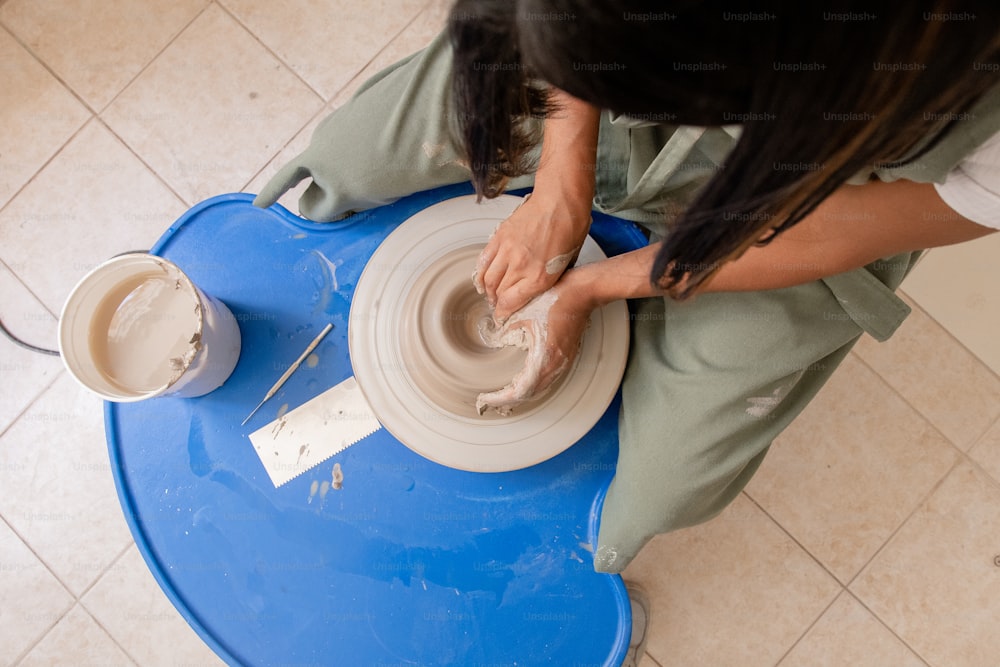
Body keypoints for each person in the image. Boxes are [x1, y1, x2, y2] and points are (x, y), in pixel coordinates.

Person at [256, 0, 1000, 581]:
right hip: (630, 85)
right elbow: (570, 27)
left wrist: (594, 287)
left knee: (665, 488)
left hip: (812, 200)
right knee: (354, 155)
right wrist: (559, 175)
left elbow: (825, 233)